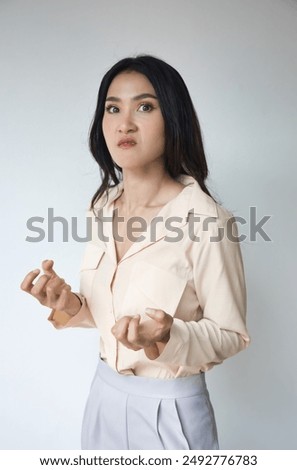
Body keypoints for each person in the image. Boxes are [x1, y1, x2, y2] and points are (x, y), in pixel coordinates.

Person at [20, 55, 250, 450]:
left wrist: (166, 336)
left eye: (144, 106)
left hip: (171, 413)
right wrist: (70, 303)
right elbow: (112, 312)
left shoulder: (208, 220)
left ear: (173, 118)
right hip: (103, 398)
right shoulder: (103, 207)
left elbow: (231, 334)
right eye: (113, 108)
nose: (124, 123)